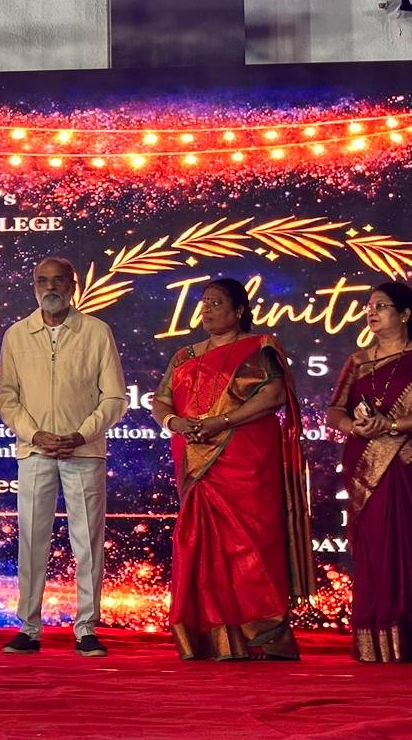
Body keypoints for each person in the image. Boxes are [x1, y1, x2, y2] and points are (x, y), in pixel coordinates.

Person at [151, 277, 314, 660]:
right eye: (204, 303)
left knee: (253, 542)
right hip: (196, 459)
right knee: (200, 542)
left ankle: (264, 634)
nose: (207, 310)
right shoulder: (184, 356)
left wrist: (221, 422)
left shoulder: (259, 348)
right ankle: (214, 637)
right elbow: (161, 401)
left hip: (246, 459)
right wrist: (175, 423)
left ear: (239, 310)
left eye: (216, 303)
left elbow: (273, 396)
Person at [0, 257, 126, 658]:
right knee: (31, 539)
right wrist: (35, 434)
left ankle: (86, 627)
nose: (50, 287)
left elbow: (114, 398)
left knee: (87, 541)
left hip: (83, 451)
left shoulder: (96, 332)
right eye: (42, 281)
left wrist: (80, 435)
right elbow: (6, 397)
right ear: (34, 285)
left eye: (58, 281)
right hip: (35, 450)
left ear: (72, 285)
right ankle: (28, 628)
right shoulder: (18, 334)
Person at [325, 280, 412, 662]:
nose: (371, 312)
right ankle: (377, 640)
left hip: (405, 462)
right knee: (375, 547)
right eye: (369, 306)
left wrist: (390, 425)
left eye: (381, 306)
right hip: (365, 464)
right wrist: (353, 427)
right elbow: (334, 411)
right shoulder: (358, 361)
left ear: (405, 314)